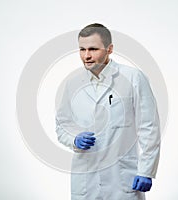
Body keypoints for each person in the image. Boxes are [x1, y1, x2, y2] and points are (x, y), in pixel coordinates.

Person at [55, 23, 161, 200]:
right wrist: (74, 139)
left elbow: (149, 128)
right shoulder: (73, 84)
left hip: (121, 178)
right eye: (82, 49)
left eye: (93, 49)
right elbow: (62, 124)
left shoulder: (133, 78)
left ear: (109, 49)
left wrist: (146, 170)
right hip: (85, 180)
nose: (86, 56)